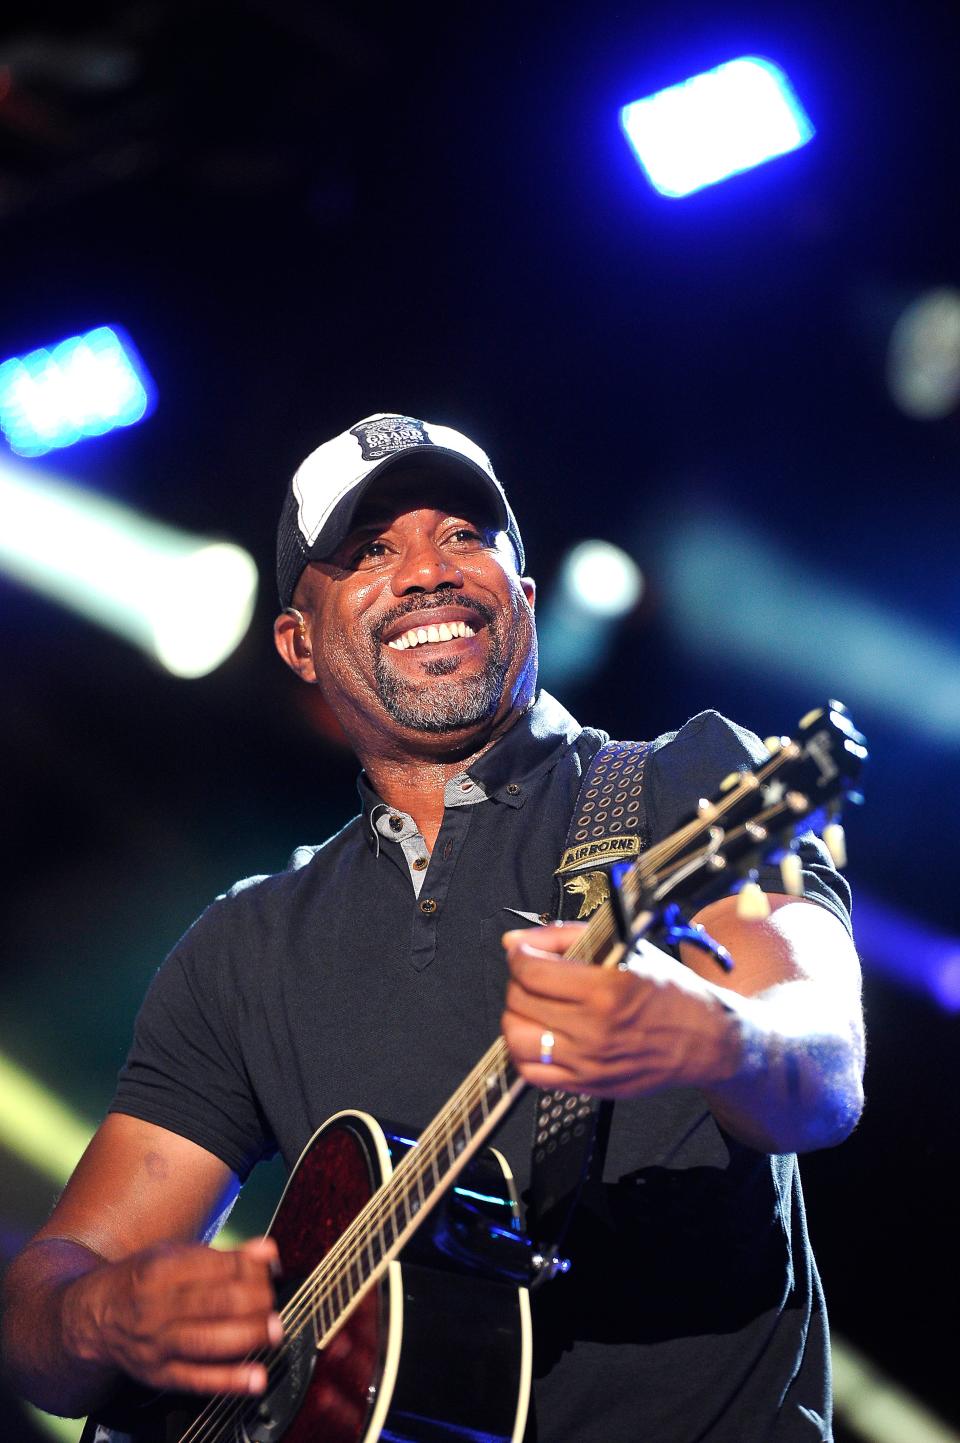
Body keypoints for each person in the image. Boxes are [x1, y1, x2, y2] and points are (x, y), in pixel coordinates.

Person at [1, 412, 865, 1442]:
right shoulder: (245, 946)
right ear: (298, 642)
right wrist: (107, 1318)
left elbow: (823, 1070)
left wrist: (713, 1033)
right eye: (371, 551)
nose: (427, 573)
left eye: (464, 534)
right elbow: (44, 1312)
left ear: (525, 597)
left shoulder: (689, 781)